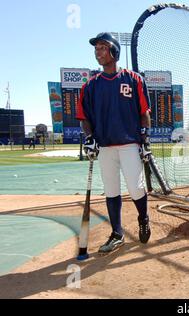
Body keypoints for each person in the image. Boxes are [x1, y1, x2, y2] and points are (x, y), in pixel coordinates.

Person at [76, 32, 152, 255]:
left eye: (102, 47)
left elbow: (144, 113)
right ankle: (117, 233)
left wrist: (145, 141)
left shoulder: (134, 79)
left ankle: (143, 218)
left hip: (129, 144)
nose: (97, 52)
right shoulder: (90, 86)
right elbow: (84, 119)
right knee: (111, 190)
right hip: (105, 146)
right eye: (96, 48)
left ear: (115, 51)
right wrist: (89, 138)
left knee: (136, 188)